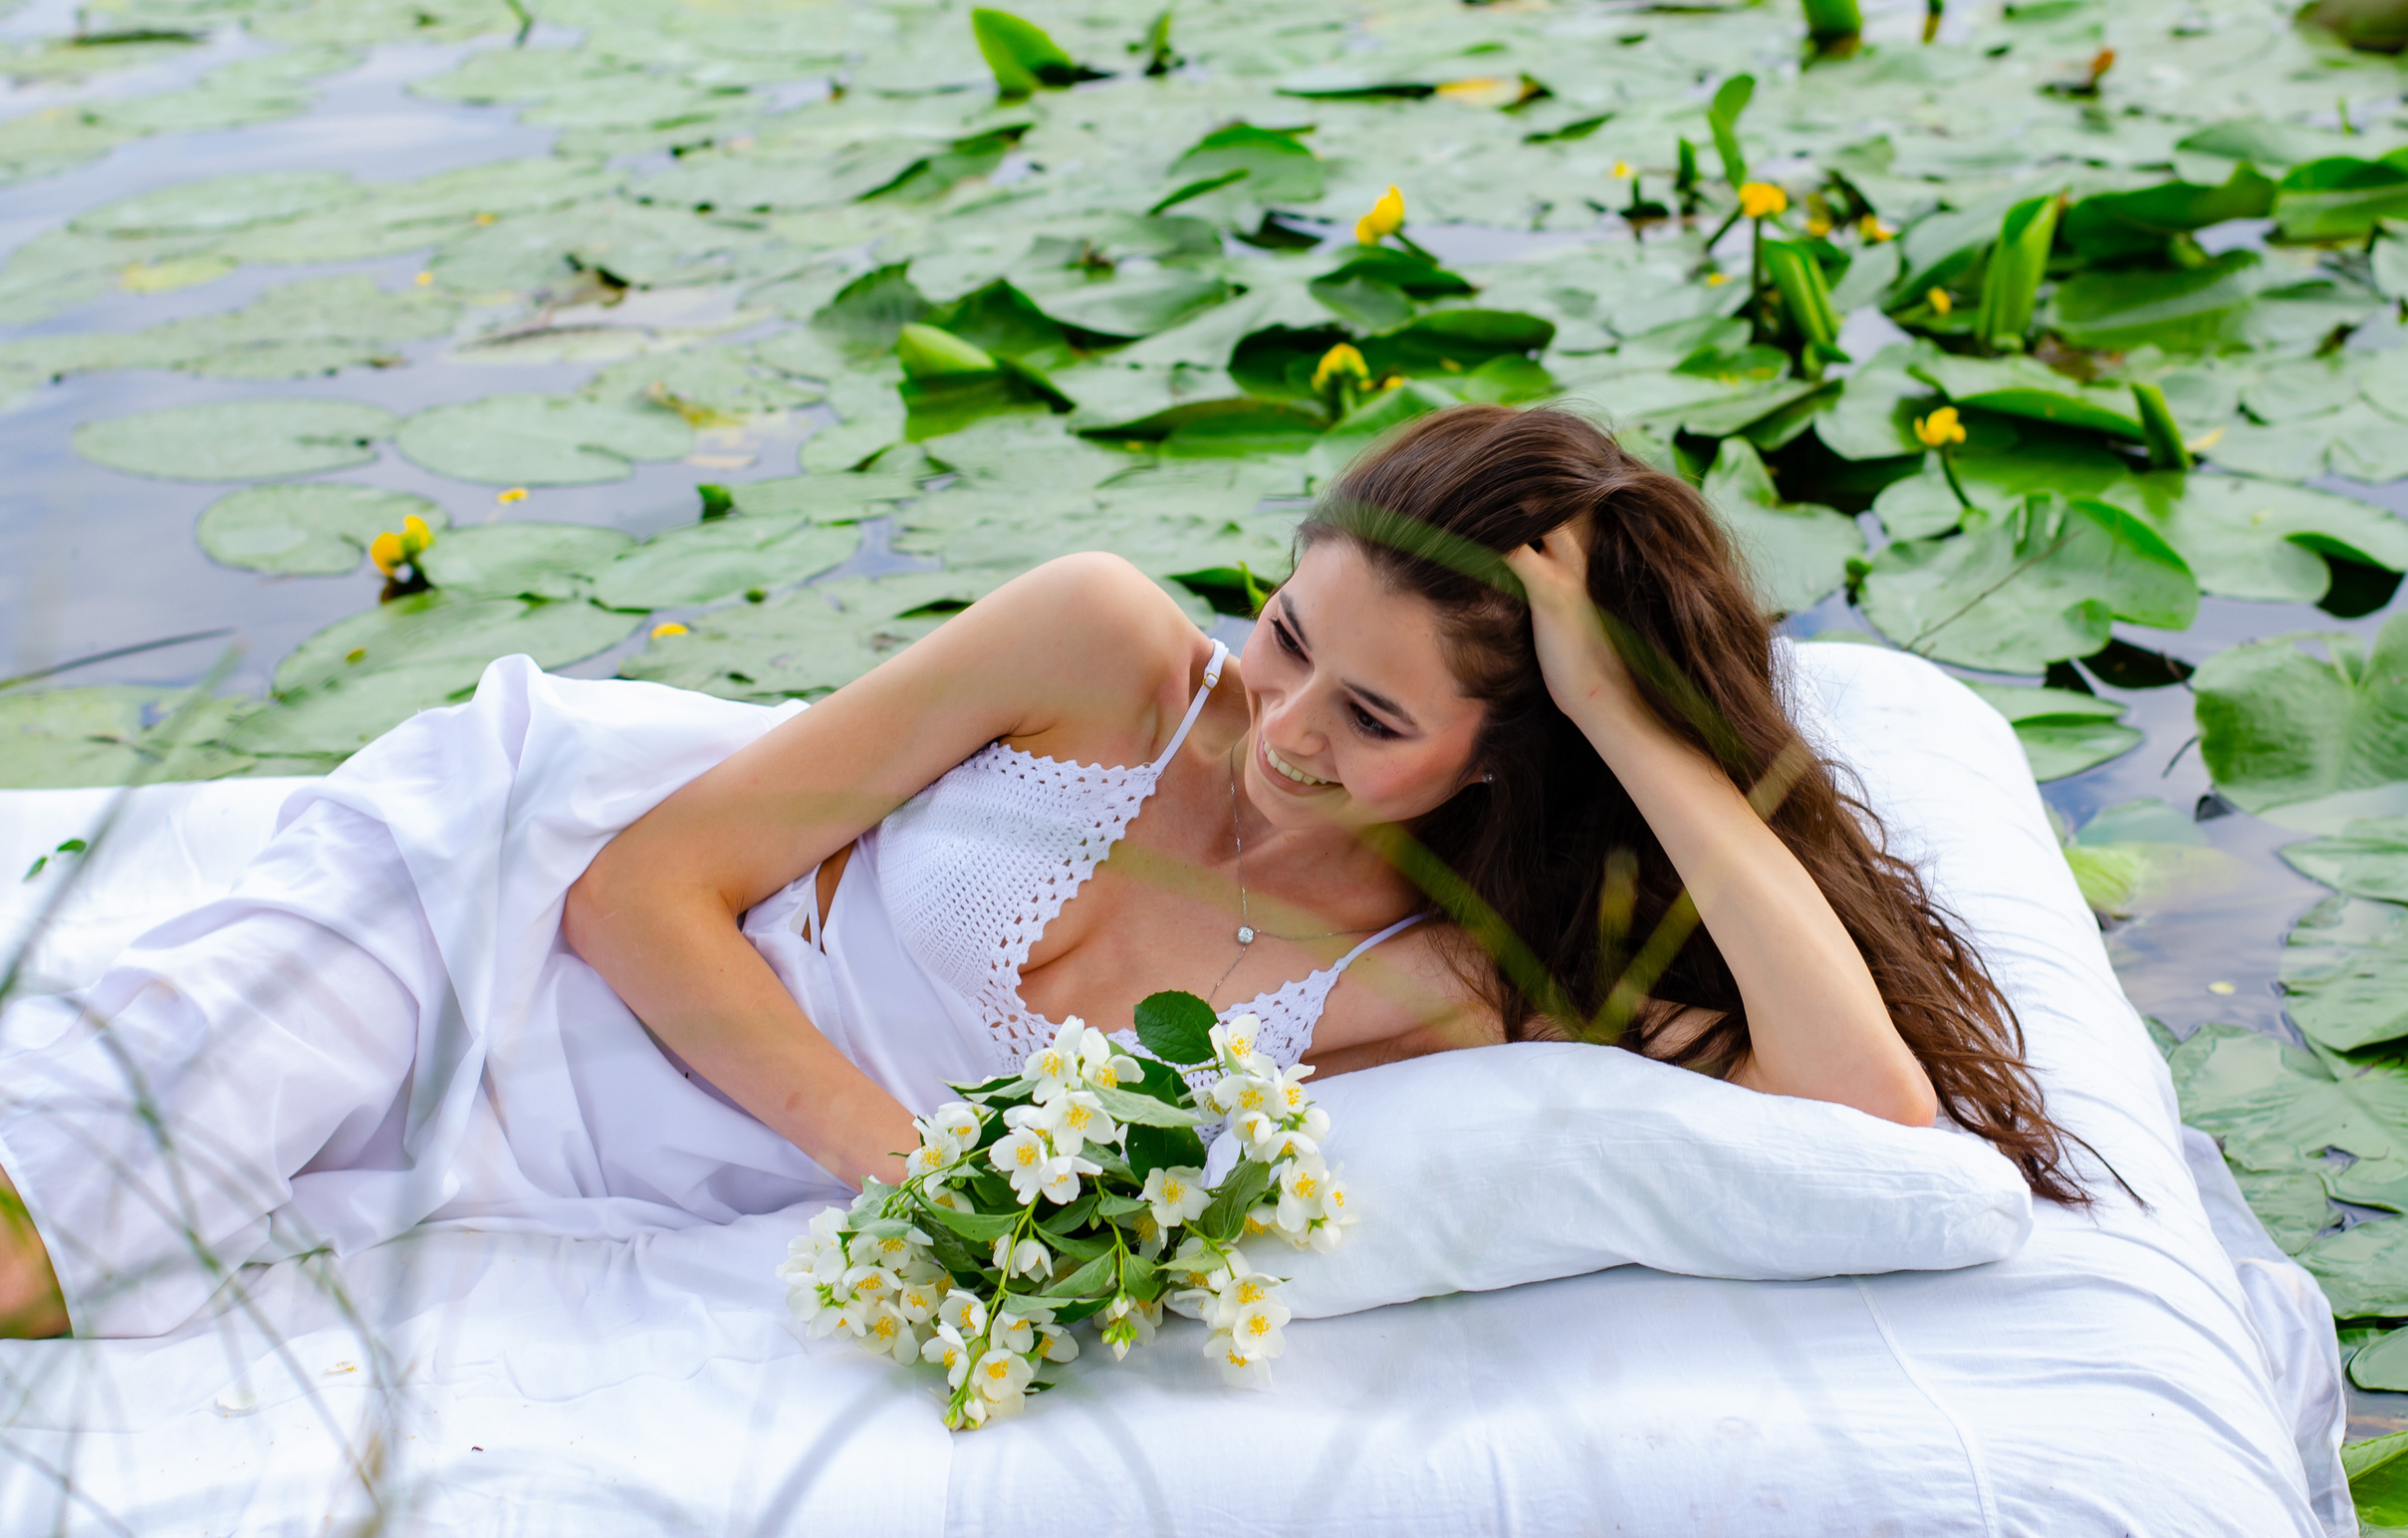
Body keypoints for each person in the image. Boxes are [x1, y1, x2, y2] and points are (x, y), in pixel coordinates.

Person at [0, 403, 2083, 1341]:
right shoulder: (1103, 648)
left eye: (1368, 718)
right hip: (521, 889)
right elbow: (640, 890)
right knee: (95, 1178)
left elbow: (1877, 1119)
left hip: (649, 1142)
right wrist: (903, 1167)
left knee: (164, 1228)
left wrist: (1642, 723)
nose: (1274, 727)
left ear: (1501, 748)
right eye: (1284, 634)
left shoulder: (1455, 976)